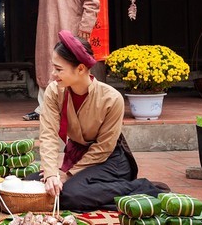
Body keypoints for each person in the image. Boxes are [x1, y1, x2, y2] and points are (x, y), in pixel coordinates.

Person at [37, 30, 168, 211]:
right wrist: (52, 173)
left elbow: (103, 148)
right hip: (79, 156)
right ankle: (101, 195)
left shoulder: (112, 99)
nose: (53, 74)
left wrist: (68, 174)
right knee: (37, 183)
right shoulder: (54, 91)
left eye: (58, 69)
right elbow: (48, 134)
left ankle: (142, 188)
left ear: (81, 69)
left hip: (109, 160)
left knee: (68, 194)